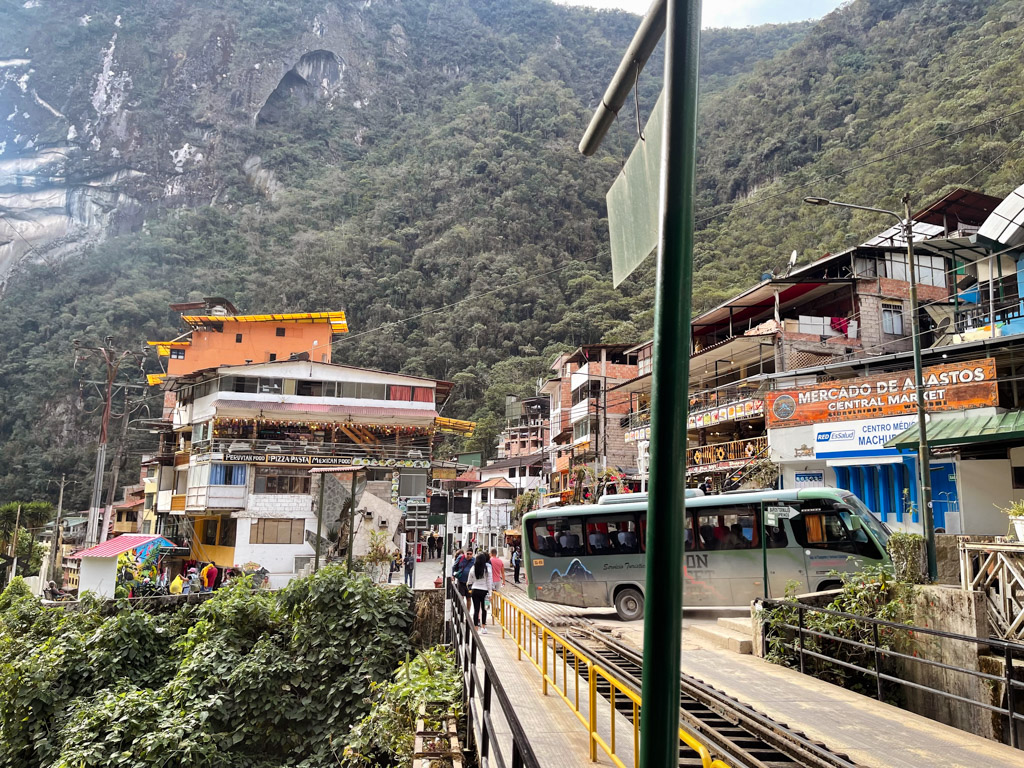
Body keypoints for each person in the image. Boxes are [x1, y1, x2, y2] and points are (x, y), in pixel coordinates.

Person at [466, 552, 493, 633]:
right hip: (484, 591)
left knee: (476, 609)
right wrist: (490, 593)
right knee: (484, 609)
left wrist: (470, 588)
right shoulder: (487, 569)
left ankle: (476, 628)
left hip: (475, 590)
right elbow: (489, 582)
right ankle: (483, 627)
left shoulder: (473, 568)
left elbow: (469, 581)